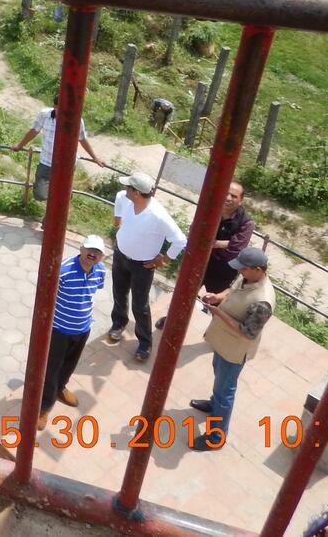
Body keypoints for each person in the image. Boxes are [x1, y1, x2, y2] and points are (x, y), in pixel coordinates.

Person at [189, 246, 275, 451]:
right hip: (223, 342)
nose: (240, 272)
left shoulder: (262, 302)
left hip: (235, 350)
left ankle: (216, 437)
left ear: (258, 269)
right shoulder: (247, 278)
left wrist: (219, 314)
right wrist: (217, 297)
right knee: (219, 378)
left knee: (225, 392)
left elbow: (248, 332)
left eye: (243, 269)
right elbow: (233, 289)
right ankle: (213, 405)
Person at [107, 172, 187, 363]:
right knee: (119, 292)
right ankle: (118, 323)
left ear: (136, 192)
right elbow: (118, 199)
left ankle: (145, 342)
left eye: (129, 187)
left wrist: (165, 259)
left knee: (140, 304)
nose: (124, 189)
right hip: (121, 255)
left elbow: (180, 240)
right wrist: (117, 220)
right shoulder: (124, 199)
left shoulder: (158, 216)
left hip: (142, 265)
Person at [156, 182, 254, 330]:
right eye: (226, 193)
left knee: (218, 301)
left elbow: (236, 247)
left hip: (224, 268)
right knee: (185, 292)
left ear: (241, 200)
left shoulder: (246, 222)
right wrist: (220, 243)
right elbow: (195, 228)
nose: (228, 198)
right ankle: (171, 319)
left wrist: (210, 242)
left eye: (233, 196)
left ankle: (217, 330)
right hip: (201, 260)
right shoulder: (211, 209)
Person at [37, 234, 109, 430]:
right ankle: (44, 407)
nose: (92, 254)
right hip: (59, 329)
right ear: (81, 248)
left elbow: (93, 292)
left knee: (69, 364)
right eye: (89, 249)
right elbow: (47, 295)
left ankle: (61, 388)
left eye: (97, 252)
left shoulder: (101, 271)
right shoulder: (64, 270)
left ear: (102, 256)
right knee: (51, 369)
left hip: (83, 328)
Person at [13, 105, 102, 201]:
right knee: (40, 194)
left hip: (66, 165)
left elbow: (82, 139)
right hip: (46, 162)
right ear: (54, 106)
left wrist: (95, 158)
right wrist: (20, 145)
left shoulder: (76, 120)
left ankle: (51, 215)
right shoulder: (45, 115)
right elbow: (34, 131)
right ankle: (50, 209)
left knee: (64, 196)